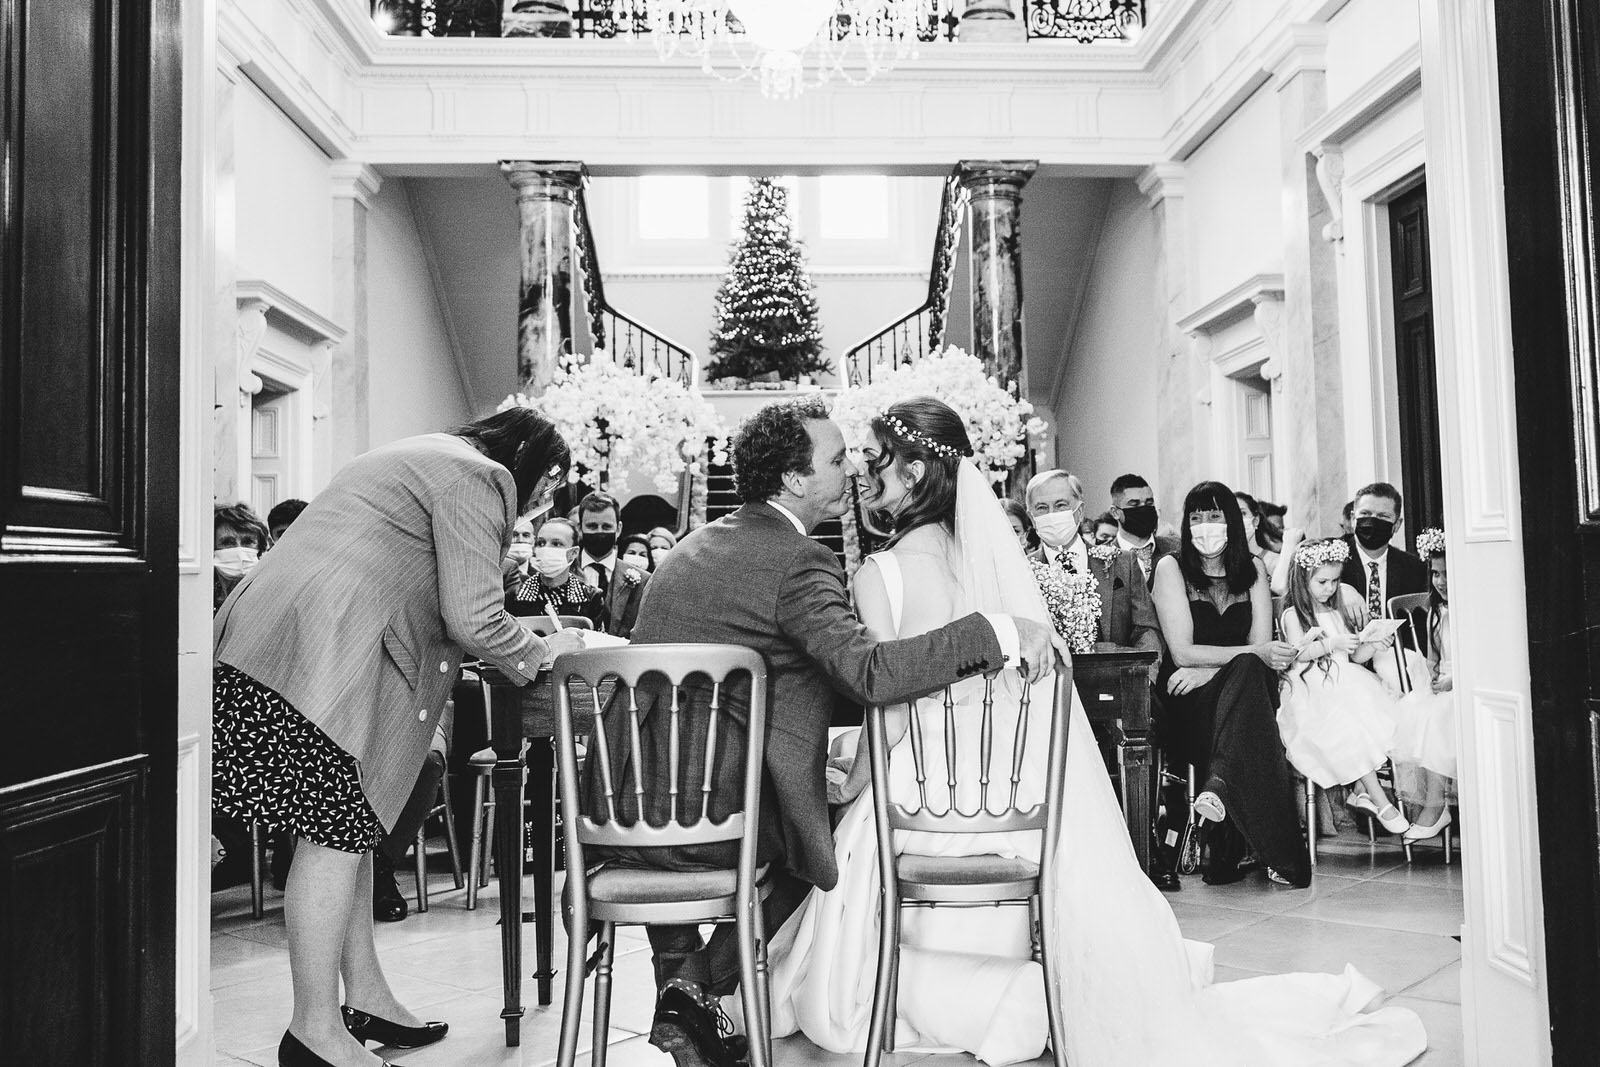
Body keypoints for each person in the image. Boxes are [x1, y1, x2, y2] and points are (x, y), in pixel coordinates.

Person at [768, 401, 1426, 1067]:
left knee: (841, 866)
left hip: (925, 798)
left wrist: (851, 782)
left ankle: (966, 994)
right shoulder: (998, 570)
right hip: (1015, 796)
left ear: (913, 472)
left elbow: (895, 709)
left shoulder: (879, 576)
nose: (868, 474)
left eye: (879, 461)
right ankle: (1036, 982)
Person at [578, 395, 1063, 1067]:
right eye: (836, 459)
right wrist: (995, 630)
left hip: (626, 810)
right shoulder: (799, 560)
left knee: (817, 797)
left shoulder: (688, 550)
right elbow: (868, 674)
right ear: (796, 478)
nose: (851, 470)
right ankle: (696, 993)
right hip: (717, 821)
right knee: (831, 831)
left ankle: (686, 994)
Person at [212, 408, 587, 1067]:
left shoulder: (420, 451)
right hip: (316, 657)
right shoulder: (483, 477)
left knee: (343, 830)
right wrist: (541, 651)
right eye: (549, 480)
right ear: (531, 459)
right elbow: (472, 615)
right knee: (332, 837)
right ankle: (314, 1031)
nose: (543, 497)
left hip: (272, 644)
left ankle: (367, 998)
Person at [1150, 482, 1310, 887]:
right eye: (1196, 517)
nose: (1206, 526)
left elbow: (1260, 649)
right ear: (1186, 524)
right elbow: (1183, 652)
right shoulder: (1171, 568)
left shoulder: (1253, 568)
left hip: (1243, 694)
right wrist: (1239, 660)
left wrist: (1224, 664)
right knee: (1249, 677)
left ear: (1232, 523)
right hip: (1191, 702)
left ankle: (1219, 786)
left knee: (1250, 680)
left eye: (1215, 516)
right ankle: (1273, 849)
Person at [1276, 538, 1409, 835]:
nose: (1330, 588)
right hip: (1311, 692)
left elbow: (1355, 657)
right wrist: (1330, 643)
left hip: (1346, 681)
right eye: (1322, 581)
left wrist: (1373, 643)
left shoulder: (1336, 613)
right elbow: (1299, 654)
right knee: (1346, 724)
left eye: (1335, 581)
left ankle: (1363, 790)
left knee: (1369, 718)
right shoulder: (1292, 615)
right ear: (1302, 579)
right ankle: (1378, 799)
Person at [1026, 469, 1161, 655]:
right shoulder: (1022, 571)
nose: (1052, 514)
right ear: (1032, 517)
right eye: (1041, 507)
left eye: (1060, 505)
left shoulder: (1122, 562)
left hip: (1118, 678)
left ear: (1079, 511)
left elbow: (1146, 630)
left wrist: (1145, 677)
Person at [1392, 527, 1457, 843]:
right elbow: (1434, 659)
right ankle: (1433, 804)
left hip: (1467, 685)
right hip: (1444, 685)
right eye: (1435, 573)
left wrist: (1455, 680)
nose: (1440, 581)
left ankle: (1435, 805)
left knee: (1437, 715)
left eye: (1447, 573)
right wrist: (1433, 677)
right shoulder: (1436, 612)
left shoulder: (1473, 610)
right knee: (1412, 709)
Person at [504, 515, 605, 627]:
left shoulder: (591, 598)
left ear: (573, 553)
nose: (546, 549)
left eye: (556, 544)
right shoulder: (515, 596)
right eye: (541, 543)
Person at [576, 491, 649, 638]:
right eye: (592, 526)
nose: (599, 532)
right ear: (579, 528)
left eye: (606, 527)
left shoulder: (643, 580)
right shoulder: (563, 573)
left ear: (619, 529)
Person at [1109, 473, 1180, 587]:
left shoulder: (1178, 548)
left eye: (1149, 503)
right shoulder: (1103, 558)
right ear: (1115, 512)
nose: (1144, 509)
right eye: (1134, 505)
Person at [214, 503, 268, 611]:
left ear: (259, 549)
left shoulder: (269, 593)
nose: (239, 550)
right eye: (228, 542)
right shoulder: (202, 596)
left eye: (248, 542)